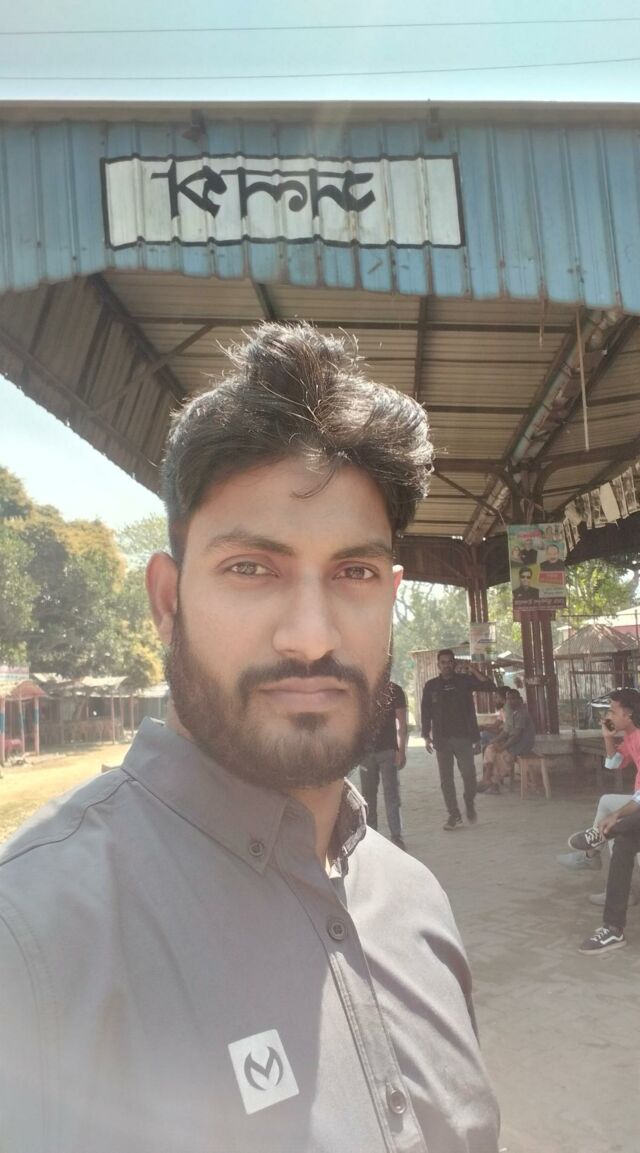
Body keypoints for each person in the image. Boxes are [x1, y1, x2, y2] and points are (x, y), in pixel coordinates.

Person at [0, 323, 499, 1152]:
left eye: (353, 572)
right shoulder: (35, 943)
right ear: (168, 601)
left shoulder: (415, 901)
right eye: (251, 568)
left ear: (391, 597)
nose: (310, 635)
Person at [563, 689, 640, 954]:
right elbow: (614, 763)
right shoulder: (631, 736)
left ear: (628, 714)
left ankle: (600, 837)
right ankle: (613, 929)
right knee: (623, 845)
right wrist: (608, 736)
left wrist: (617, 816)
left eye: (612, 711)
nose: (608, 715)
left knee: (618, 821)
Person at [421, 651, 497, 830]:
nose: (446, 665)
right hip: (442, 738)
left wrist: (472, 669)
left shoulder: (464, 681)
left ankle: (469, 801)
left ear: (454, 663)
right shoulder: (431, 686)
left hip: (464, 737)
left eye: (449, 662)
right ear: (438, 665)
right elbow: (426, 712)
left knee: (469, 775)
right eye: (443, 662)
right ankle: (454, 815)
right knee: (446, 779)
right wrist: (426, 735)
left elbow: (489, 686)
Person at [359, 680, 408, 849]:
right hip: (366, 753)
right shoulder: (361, 689)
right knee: (367, 797)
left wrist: (401, 750)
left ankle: (396, 835)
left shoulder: (395, 690)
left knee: (391, 794)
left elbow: (402, 724)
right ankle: (372, 836)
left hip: (388, 751)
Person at [479, 689, 536, 793]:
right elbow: (505, 732)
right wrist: (494, 741)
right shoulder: (513, 713)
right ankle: (487, 780)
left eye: (513, 698)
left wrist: (502, 747)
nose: (510, 701)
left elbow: (516, 736)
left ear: (520, 700)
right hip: (514, 744)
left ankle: (491, 782)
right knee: (490, 747)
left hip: (521, 746)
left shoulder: (521, 714)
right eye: (508, 699)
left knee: (499, 755)